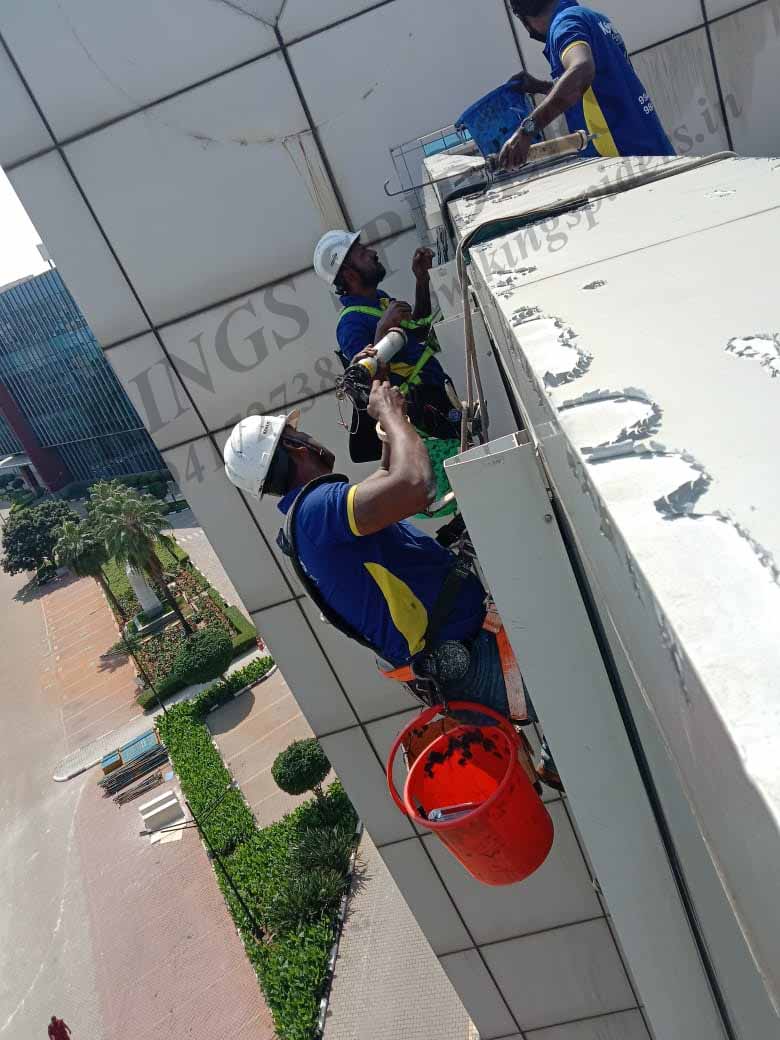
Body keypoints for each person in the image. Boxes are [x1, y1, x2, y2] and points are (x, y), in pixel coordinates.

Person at [223, 380, 561, 790]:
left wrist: (384, 422)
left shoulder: (309, 520)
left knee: (570, 668)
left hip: (467, 657)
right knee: (579, 668)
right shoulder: (316, 512)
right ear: (295, 446)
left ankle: (558, 755)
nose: (311, 438)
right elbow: (415, 485)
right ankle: (562, 755)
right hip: (476, 659)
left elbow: (388, 475)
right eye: (300, 433)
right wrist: (393, 414)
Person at [313, 230, 462, 462]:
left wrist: (422, 280)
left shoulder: (378, 299)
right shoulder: (350, 325)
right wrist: (383, 328)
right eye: (362, 253)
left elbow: (416, 332)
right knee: (462, 463)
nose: (372, 253)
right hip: (423, 418)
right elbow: (370, 384)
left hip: (437, 396)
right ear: (350, 274)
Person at [500, 0, 674, 169]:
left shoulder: (564, 26)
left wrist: (527, 130)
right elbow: (599, 88)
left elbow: (582, 70)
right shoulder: (591, 18)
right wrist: (542, 87)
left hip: (628, 160)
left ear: (526, 17)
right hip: (651, 150)